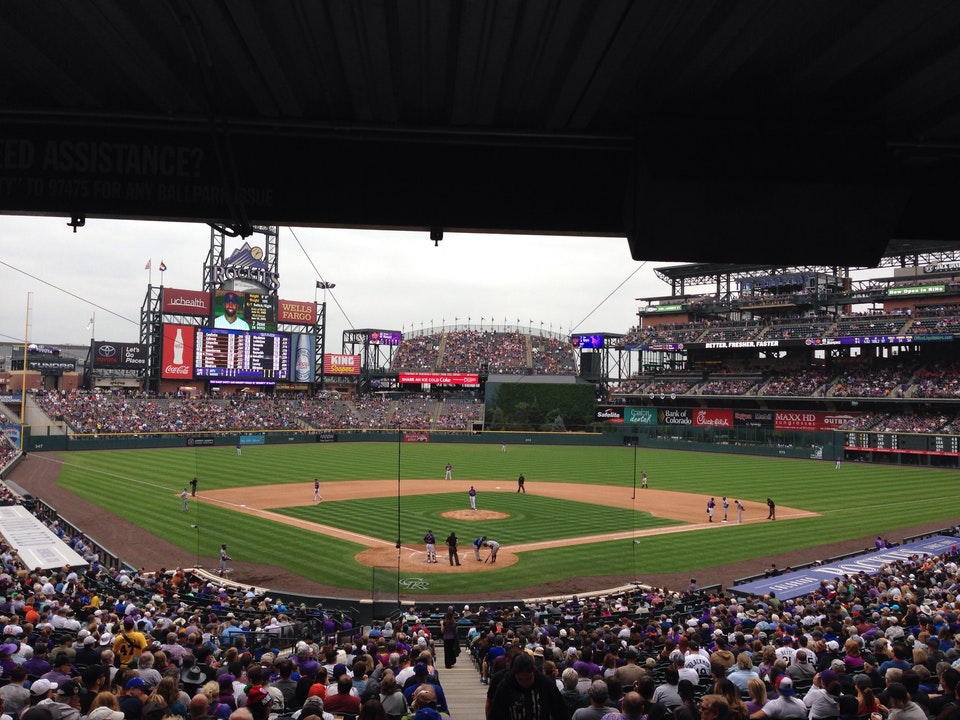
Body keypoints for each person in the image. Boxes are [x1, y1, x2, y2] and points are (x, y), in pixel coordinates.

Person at [489, 653, 568, 720]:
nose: (525, 683)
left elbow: (561, 711)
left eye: (528, 678)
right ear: (514, 675)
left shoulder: (545, 684)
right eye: (520, 679)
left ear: (533, 672)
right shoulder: (505, 686)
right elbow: (495, 714)